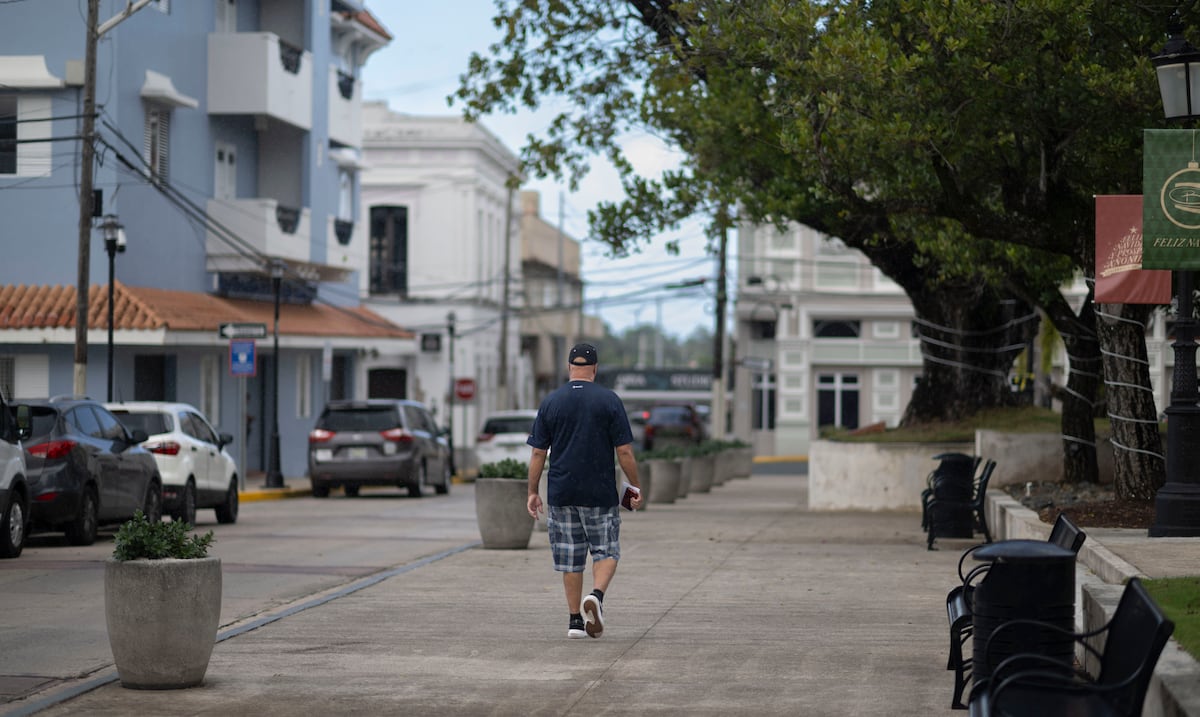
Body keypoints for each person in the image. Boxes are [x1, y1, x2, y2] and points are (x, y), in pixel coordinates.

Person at [526, 342, 643, 639]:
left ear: (569, 367)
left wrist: (532, 491)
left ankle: (575, 621)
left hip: (562, 492)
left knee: (570, 557)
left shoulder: (551, 401)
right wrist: (635, 486)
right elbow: (624, 451)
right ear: (595, 368)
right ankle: (596, 596)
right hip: (599, 492)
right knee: (607, 551)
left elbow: (538, 453)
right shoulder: (609, 400)